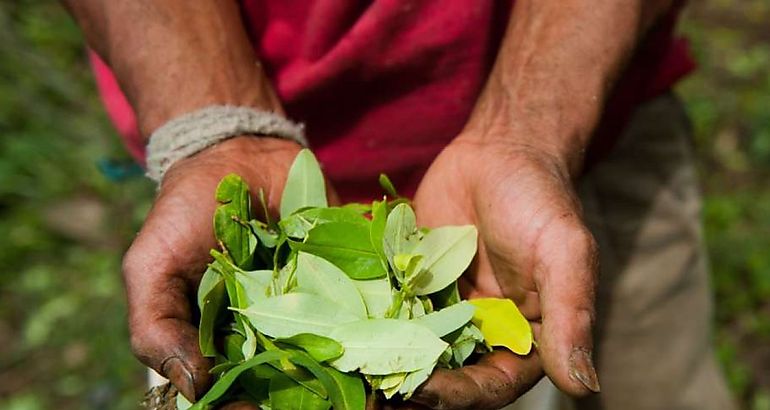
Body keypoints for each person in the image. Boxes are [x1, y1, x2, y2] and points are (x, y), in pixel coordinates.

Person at [62, 1, 735, 409]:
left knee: (660, 387)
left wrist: (531, 128)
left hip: (591, 105)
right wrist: (211, 128)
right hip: (249, 177)